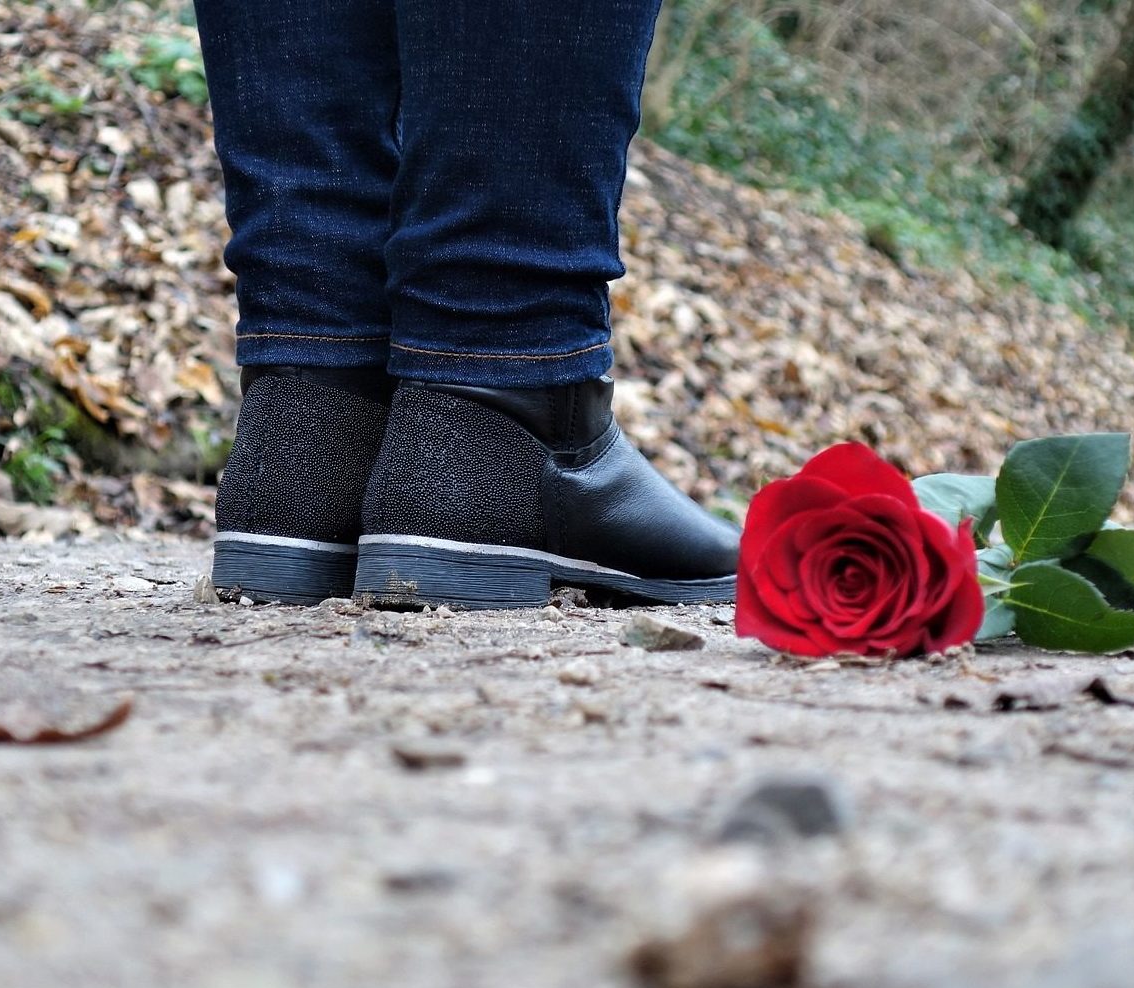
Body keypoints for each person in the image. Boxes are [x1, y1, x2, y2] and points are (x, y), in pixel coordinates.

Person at [193, 0, 738, 609]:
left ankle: (308, 433)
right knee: (493, 342)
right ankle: (495, 401)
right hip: (505, 438)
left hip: (285, 416)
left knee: (316, 316)